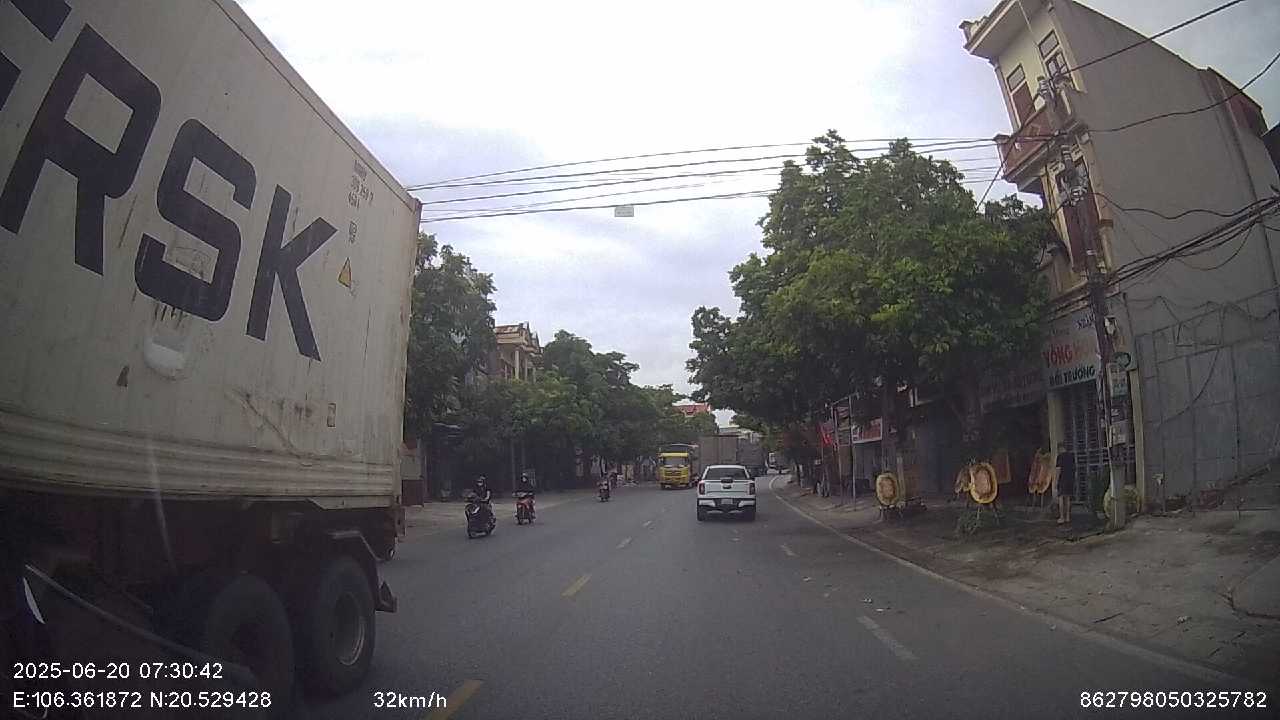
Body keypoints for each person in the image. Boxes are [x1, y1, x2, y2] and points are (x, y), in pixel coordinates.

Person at [1054, 442, 1075, 525]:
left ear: (1060, 448)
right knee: (1068, 498)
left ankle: (1062, 517)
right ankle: (1068, 517)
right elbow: (1074, 468)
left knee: (1061, 498)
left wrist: (1056, 481)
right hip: (1070, 479)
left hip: (1062, 480)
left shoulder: (1060, 457)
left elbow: (1058, 470)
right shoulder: (1071, 456)